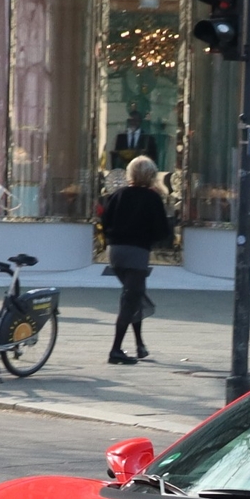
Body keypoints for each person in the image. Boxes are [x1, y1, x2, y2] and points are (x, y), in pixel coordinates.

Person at [99, 156, 170, 365]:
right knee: (130, 300)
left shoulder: (118, 195)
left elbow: (105, 220)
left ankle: (140, 344)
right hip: (137, 252)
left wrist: (113, 237)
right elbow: (162, 230)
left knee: (134, 296)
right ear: (150, 175)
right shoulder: (152, 198)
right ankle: (116, 350)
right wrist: (149, 239)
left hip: (116, 252)